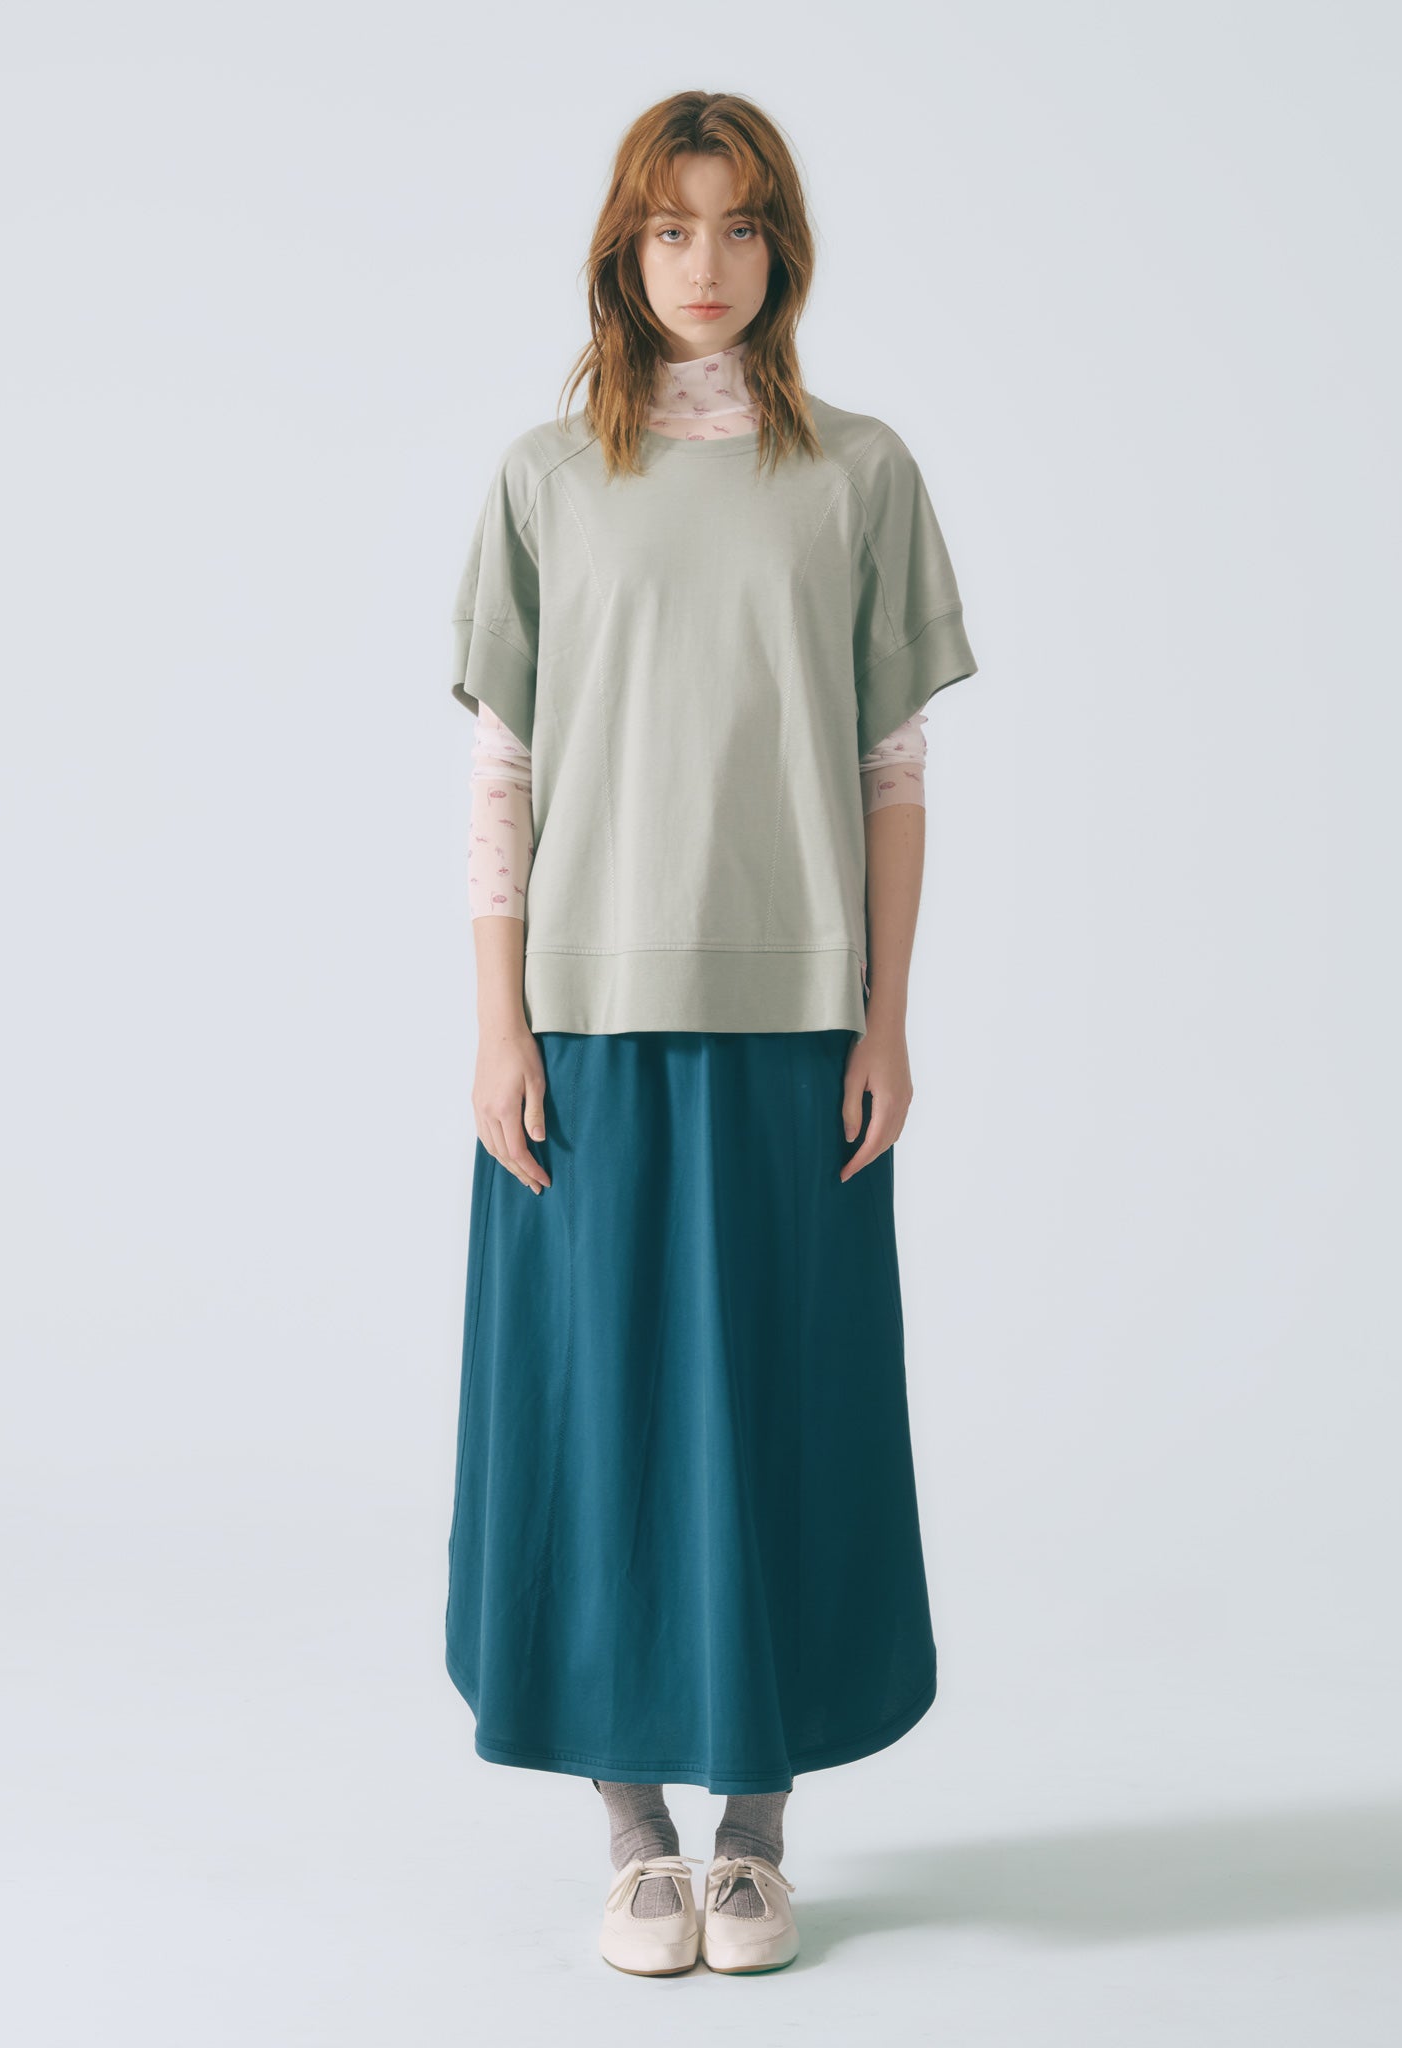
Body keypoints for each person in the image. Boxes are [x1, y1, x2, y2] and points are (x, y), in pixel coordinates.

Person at [444, 89, 979, 1978]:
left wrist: (886, 1019)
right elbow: (503, 771)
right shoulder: (544, 480)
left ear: (783, 251)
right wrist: (498, 1025)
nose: (706, 262)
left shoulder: (858, 473)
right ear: (623, 250)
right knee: (599, 1419)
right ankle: (632, 1833)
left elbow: (892, 768)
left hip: (794, 1018)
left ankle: (753, 1832)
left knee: (774, 1406)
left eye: (740, 225)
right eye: (672, 228)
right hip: (587, 1025)